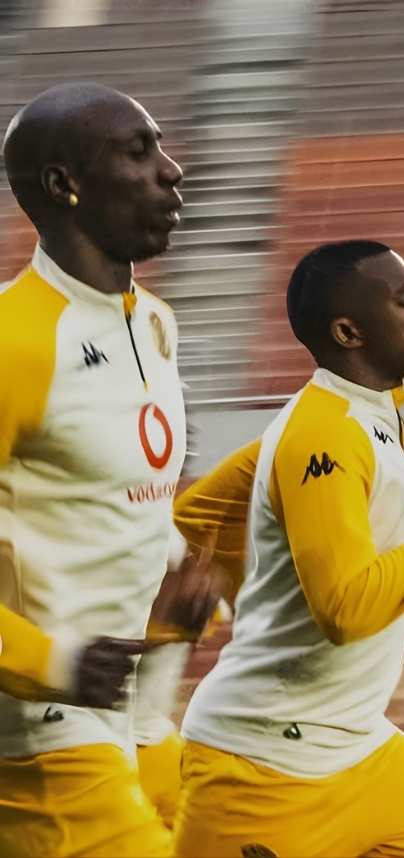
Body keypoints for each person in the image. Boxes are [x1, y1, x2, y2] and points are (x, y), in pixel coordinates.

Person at [171, 239, 404, 857]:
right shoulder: (324, 432)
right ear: (348, 332)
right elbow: (346, 610)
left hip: (355, 744)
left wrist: (237, 588)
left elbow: (195, 517)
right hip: (262, 765)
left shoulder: (362, 419)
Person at [0, 81, 214, 857]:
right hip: (38, 740)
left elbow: (107, 505)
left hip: (133, 719)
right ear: (65, 185)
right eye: (138, 152)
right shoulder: (14, 342)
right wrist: (53, 663)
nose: (171, 170)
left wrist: (171, 598)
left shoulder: (155, 323)